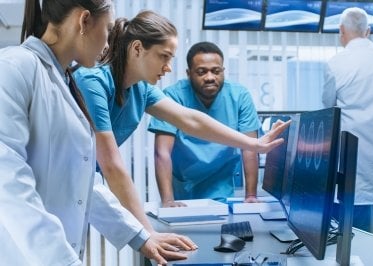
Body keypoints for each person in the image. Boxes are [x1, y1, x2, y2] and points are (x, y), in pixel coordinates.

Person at [0, 1, 196, 265]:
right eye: (108, 29)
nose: (108, 42)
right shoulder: (14, 67)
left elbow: (82, 180)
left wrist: (141, 237)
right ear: (84, 21)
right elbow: (7, 184)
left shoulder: (65, 81)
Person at [73, 8, 289, 246]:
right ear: (137, 49)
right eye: (164, 56)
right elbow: (112, 165)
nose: (167, 67)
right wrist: (148, 234)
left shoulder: (141, 89)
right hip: (60, 180)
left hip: (82, 183)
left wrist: (254, 144)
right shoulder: (93, 82)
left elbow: (190, 120)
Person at [148, 42, 260, 206]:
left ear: (223, 71)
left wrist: (251, 195)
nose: (209, 77)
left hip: (220, 185)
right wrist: (168, 200)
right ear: (189, 73)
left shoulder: (239, 96)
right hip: (183, 185)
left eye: (216, 71)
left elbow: (250, 149)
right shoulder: (173, 96)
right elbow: (162, 152)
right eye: (201, 72)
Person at [322, 7, 373, 242]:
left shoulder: (336, 64)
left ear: (341, 31)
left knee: (352, 243)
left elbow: (328, 110)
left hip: (351, 173)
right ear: (368, 31)